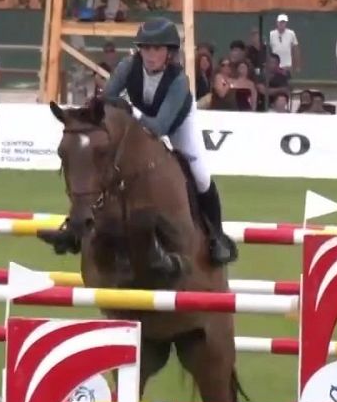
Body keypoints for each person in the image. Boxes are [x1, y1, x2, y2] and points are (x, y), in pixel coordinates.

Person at [101, 16, 238, 265]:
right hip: (139, 120)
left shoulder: (179, 81)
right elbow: (106, 98)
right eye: (146, 48)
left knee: (200, 173)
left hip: (177, 124)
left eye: (157, 49)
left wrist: (130, 109)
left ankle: (217, 236)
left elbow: (159, 127)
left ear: (169, 53)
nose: (150, 54)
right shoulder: (127, 67)